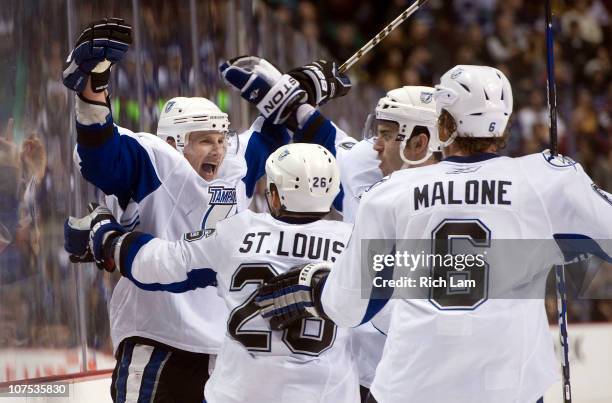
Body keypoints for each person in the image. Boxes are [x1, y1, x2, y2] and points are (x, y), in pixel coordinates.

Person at [256, 64, 612, 402]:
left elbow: (346, 308)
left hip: (412, 385)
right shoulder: (546, 178)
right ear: (503, 126)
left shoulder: (391, 191)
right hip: (509, 387)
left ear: (443, 125)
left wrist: (315, 286)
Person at [62, 20, 351, 402]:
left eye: (220, 138)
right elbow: (103, 156)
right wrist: (93, 89)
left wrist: (299, 91)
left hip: (221, 354)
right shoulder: (154, 160)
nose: (217, 149)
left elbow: (273, 129)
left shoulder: (235, 166)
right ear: (173, 141)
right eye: (203, 140)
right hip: (157, 340)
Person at [68, 143, 360, 403]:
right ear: (332, 190)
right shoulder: (356, 240)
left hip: (236, 394)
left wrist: (108, 238)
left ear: (274, 193)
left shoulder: (238, 230)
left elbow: (158, 264)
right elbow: (397, 298)